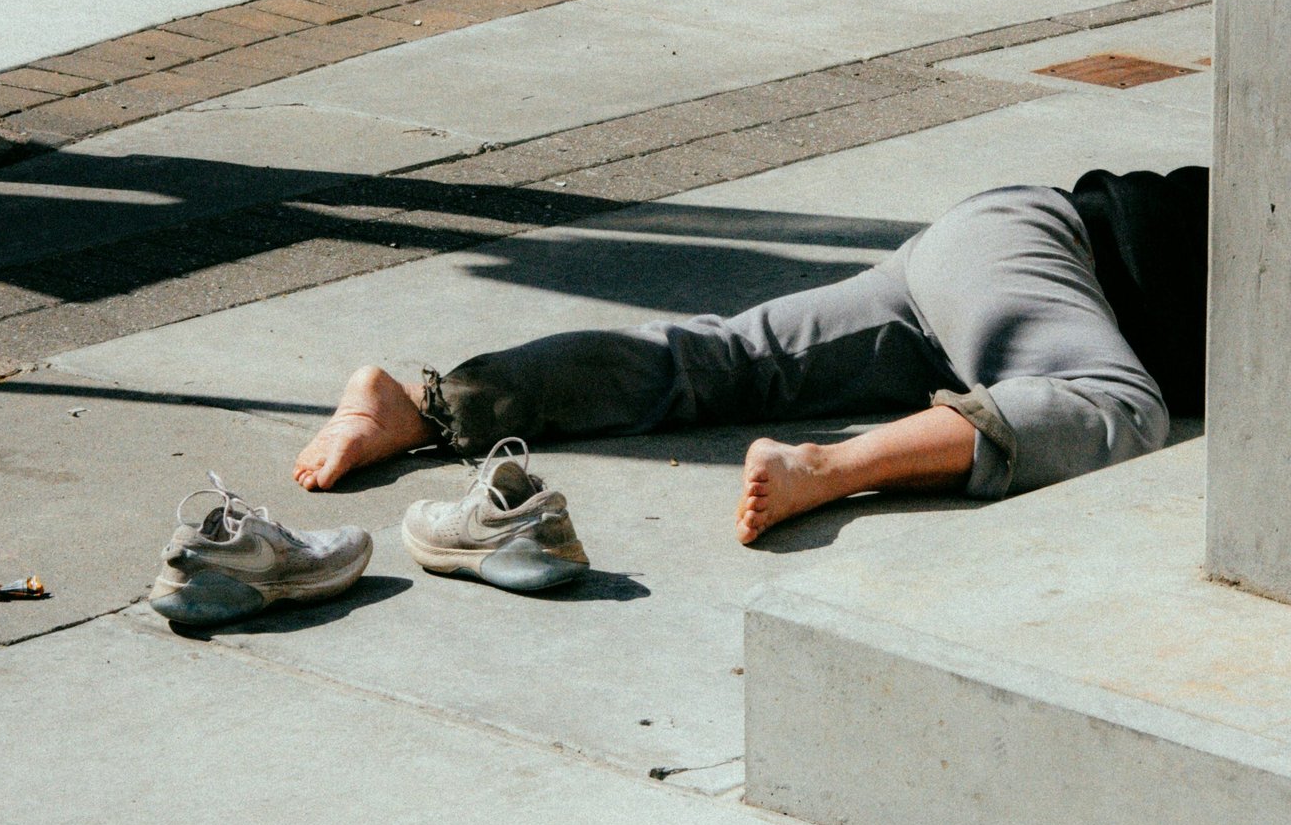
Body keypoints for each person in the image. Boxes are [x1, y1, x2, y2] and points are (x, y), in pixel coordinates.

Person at [292, 167, 1209, 545]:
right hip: (1045, 260)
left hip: (985, 247)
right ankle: (833, 466)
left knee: (729, 358)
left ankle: (423, 404)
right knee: (1115, 409)